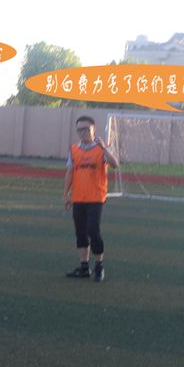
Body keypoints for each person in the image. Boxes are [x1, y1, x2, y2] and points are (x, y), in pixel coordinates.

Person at [63, 116, 119, 282]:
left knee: (93, 230)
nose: (83, 132)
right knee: (80, 232)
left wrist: (104, 149)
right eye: (79, 130)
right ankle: (84, 267)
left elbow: (115, 165)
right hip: (78, 197)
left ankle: (99, 265)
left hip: (96, 197)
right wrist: (66, 194)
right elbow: (70, 172)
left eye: (86, 129)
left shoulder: (101, 148)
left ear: (94, 129)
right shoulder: (74, 149)